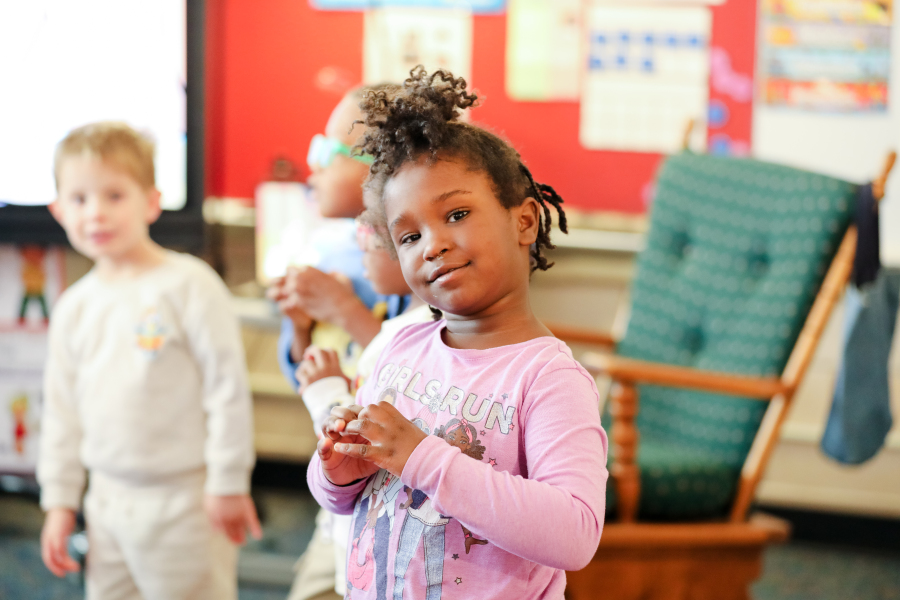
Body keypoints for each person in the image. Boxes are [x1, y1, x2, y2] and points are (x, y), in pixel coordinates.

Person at [309, 67, 608, 600]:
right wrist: (338, 472)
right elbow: (343, 503)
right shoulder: (398, 348)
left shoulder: (549, 379)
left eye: (458, 213)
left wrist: (423, 458)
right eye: (408, 235)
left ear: (525, 221)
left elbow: (575, 534)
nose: (432, 245)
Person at [38, 122, 260, 600]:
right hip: (105, 502)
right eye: (79, 199)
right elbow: (61, 414)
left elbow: (227, 391)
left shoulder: (190, 285)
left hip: (185, 503)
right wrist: (59, 503)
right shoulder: (73, 307)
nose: (95, 212)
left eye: (114, 195)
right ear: (58, 210)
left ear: (151, 201)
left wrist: (227, 481)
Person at [291, 220, 432, 600]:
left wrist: (325, 393)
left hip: (371, 529)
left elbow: (361, 439)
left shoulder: (402, 339)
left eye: (372, 233)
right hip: (352, 522)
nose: (361, 244)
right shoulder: (394, 330)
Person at [267, 84, 403, 391]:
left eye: (331, 150)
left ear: (385, 167)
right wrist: (301, 327)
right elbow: (308, 383)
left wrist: (344, 310)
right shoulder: (330, 252)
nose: (314, 163)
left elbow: (421, 378)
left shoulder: (406, 263)